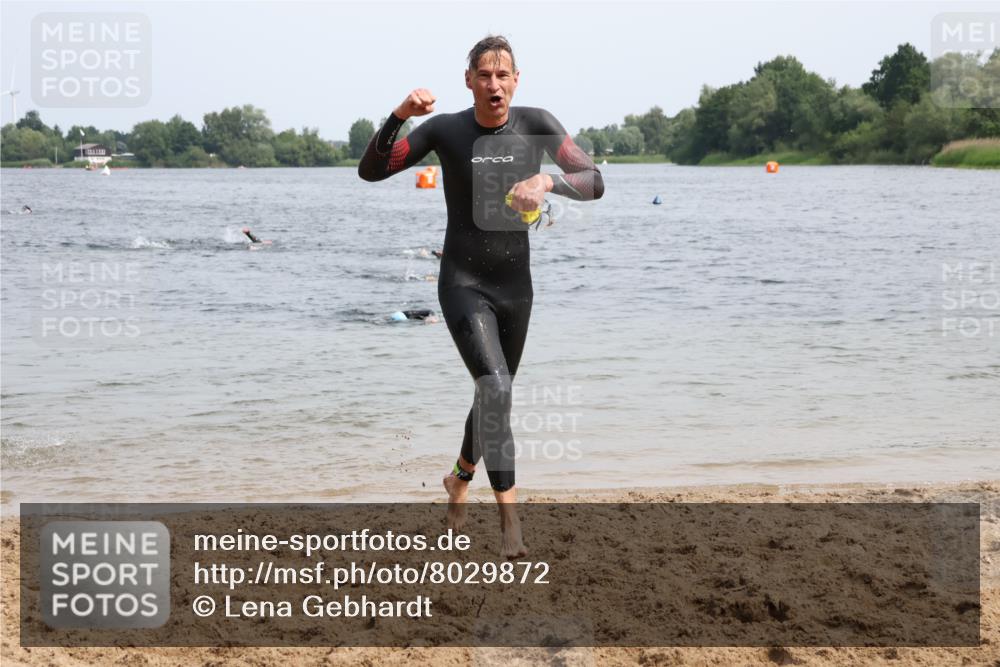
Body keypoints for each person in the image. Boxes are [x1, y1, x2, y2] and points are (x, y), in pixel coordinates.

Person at [359, 35, 603, 557]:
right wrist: (399, 115)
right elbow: (372, 170)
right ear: (468, 80)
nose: (494, 85)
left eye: (503, 75)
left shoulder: (537, 123)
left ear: (517, 80)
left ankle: (458, 479)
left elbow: (593, 179)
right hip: (462, 283)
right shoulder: (445, 130)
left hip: (517, 288)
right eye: (484, 75)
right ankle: (511, 524)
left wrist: (546, 182)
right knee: (495, 387)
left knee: (494, 394)